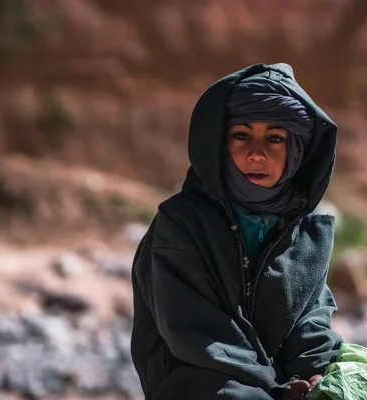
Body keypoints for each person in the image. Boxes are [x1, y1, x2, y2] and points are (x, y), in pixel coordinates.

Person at [131, 62, 343, 399]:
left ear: (297, 151)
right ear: (217, 143)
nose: (257, 154)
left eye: (275, 139)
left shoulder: (307, 232)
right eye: (241, 135)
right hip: (199, 382)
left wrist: (315, 374)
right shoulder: (181, 223)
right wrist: (275, 389)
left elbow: (311, 320)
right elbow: (197, 333)